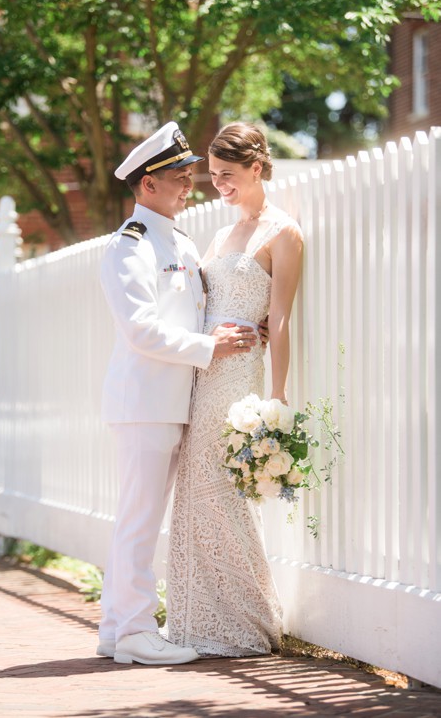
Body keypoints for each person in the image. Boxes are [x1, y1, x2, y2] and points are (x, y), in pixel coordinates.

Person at [97, 122, 262, 665]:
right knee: (139, 520)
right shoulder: (129, 247)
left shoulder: (179, 240)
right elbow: (141, 328)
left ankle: (116, 628)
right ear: (147, 184)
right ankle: (138, 633)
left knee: (137, 518)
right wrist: (207, 347)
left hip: (171, 402)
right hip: (145, 402)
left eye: (190, 177)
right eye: (179, 178)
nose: (189, 186)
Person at [167, 123, 303, 656]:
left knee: (226, 494)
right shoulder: (219, 237)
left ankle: (247, 618)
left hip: (240, 379)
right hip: (202, 372)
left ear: (255, 167)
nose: (217, 185)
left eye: (226, 175)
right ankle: (197, 616)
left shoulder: (284, 234)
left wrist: (280, 392)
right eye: (212, 176)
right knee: (195, 494)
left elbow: (282, 318)